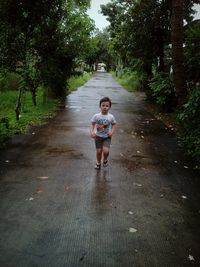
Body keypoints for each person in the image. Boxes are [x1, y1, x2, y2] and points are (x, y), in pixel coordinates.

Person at [90, 97, 116, 169]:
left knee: (106, 151)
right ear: (100, 106)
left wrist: (112, 132)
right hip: (98, 136)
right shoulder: (96, 116)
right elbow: (92, 124)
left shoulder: (111, 117)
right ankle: (98, 162)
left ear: (109, 107)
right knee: (99, 151)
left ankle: (105, 160)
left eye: (107, 106)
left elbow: (114, 124)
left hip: (107, 137)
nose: (105, 107)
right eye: (103, 105)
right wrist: (91, 132)